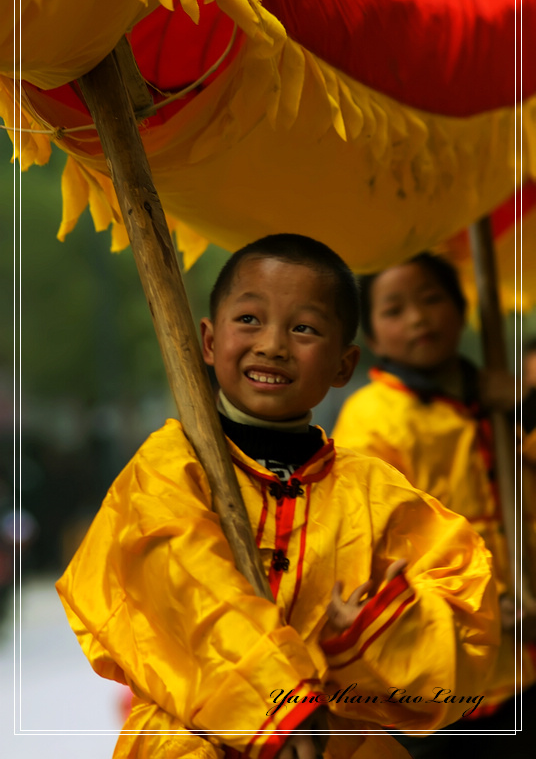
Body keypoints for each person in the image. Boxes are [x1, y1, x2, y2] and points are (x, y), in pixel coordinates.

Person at [57, 235, 499, 759]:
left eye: (304, 328)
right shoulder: (169, 467)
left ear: (344, 365)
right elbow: (182, 596)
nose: (272, 344)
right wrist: (283, 708)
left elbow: (467, 610)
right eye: (249, 319)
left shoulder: (373, 492)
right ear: (207, 340)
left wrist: (378, 626)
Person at [332, 251, 536, 757]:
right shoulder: (372, 419)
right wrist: (484, 607)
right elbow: (373, 545)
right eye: (395, 310)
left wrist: (522, 407)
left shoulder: (502, 395)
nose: (419, 317)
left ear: (462, 307)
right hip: (449, 670)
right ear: (372, 337)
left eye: (431, 299)